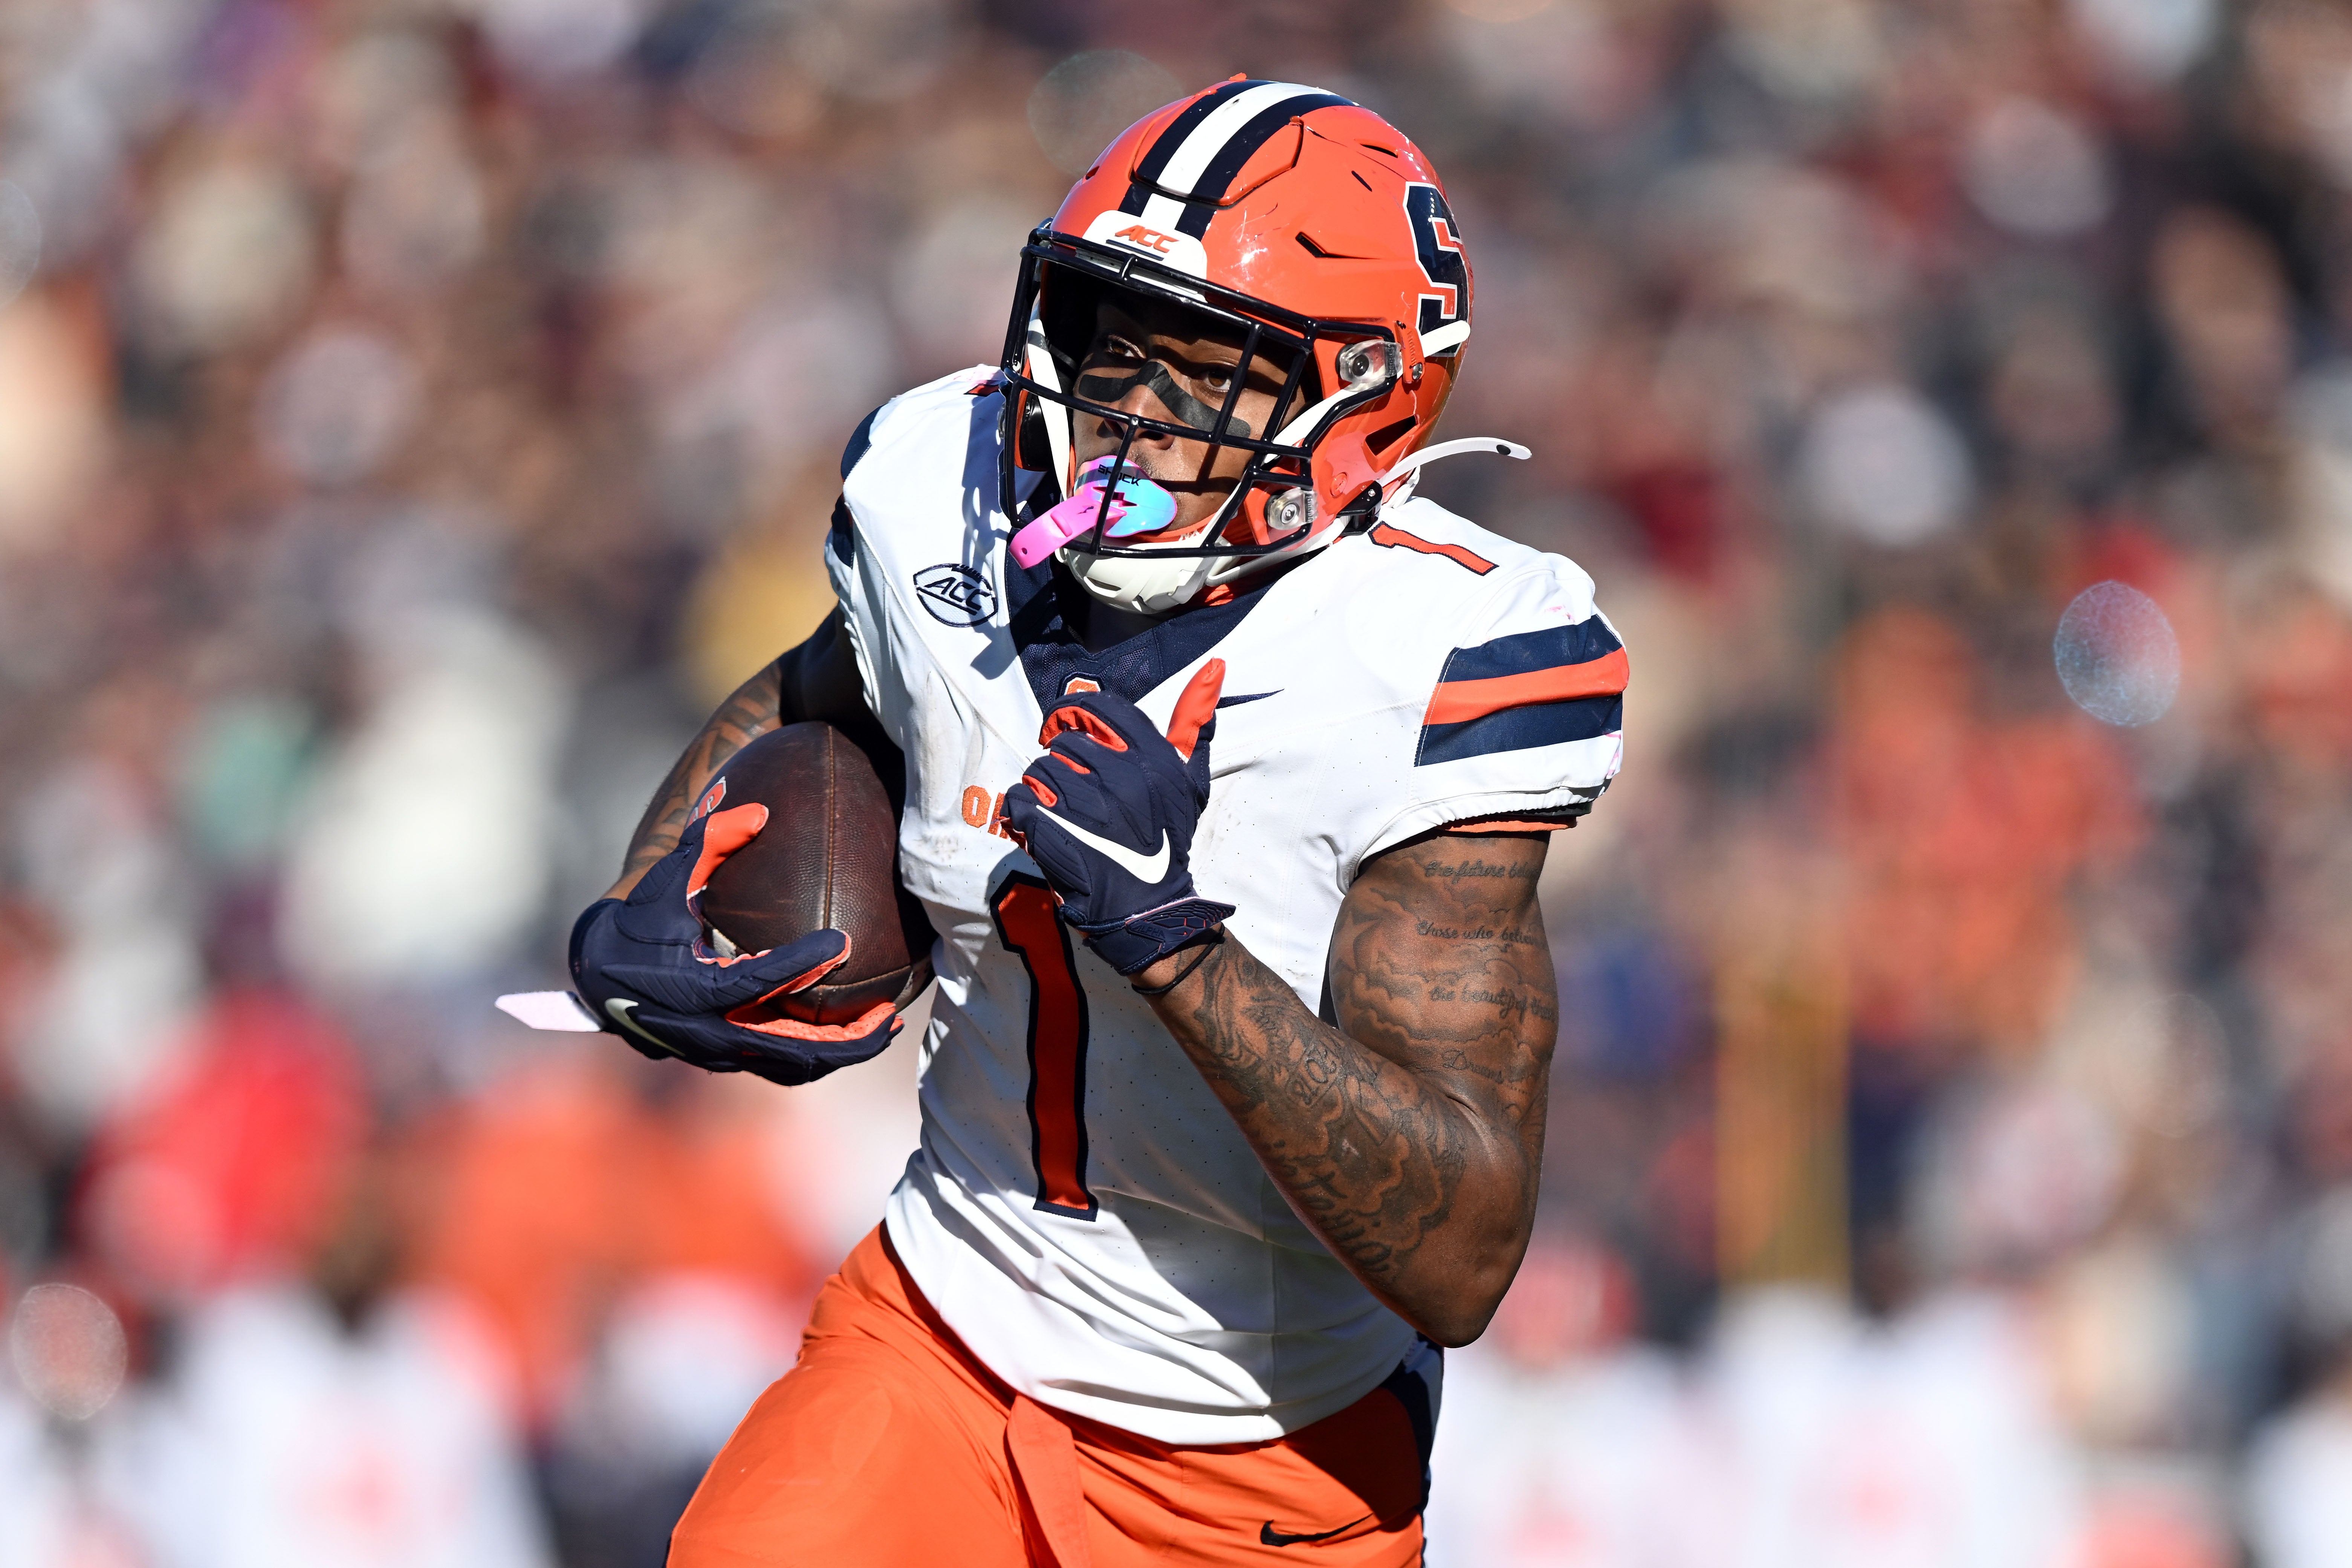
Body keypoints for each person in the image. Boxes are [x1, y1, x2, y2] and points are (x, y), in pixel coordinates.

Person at [563, 79, 1626, 1566]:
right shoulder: (949, 494)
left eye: (1205, 377)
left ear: (1364, 404)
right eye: (1109, 339)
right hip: (935, 1339)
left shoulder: (1432, 661)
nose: (1118, 413)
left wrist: (1173, 942)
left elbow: (1458, 1254)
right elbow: (815, 691)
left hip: (1259, 1455)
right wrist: (645, 909)